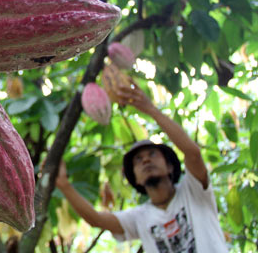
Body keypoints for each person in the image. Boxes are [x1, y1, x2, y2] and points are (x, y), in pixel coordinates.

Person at [55, 83, 229, 253]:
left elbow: (193, 154)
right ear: (136, 179)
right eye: (138, 160)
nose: (145, 160)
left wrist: (150, 109)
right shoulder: (140, 217)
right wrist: (63, 185)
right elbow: (97, 219)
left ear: (170, 166)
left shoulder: (194, 192)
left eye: (152, 154)